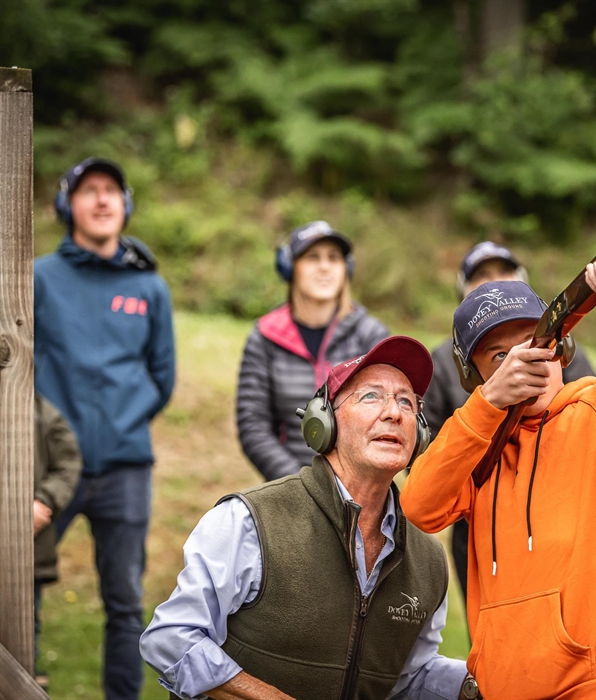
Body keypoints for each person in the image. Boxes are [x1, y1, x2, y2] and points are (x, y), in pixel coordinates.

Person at [401, 261, 596, 697]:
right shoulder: (475, 443)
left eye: (532, 342)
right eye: (499, 356)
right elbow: (420, 507)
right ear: (476, 377)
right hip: (505, 688)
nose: (524, 362)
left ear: (561, 348)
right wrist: (487, 406)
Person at [141, 336, 477, 700]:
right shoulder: (250, 520)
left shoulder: (428, 559)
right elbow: (172, 638)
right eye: (371, 396)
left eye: (406, 402)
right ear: (325, 422)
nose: (394, 413)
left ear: (420, 433)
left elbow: (409, 676)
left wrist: (481, 682)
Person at [35, 156, 176, 699]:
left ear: (125, 205)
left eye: (111, 191)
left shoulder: (149, 289)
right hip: (49, 471)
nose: (101, 199)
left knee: (125, 600)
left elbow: (161, 377)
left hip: (125, 467)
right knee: (20, 588)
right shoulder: (38, 277)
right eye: (88, 190)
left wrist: (121, 418)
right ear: (67, 205)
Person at [423, 241, 596, 609]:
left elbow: (585, 402)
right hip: (476, 499)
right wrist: (485, 412)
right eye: (499, 355)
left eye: (503, 273)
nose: (494, 285)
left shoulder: (586, 390)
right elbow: (423, 461)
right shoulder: (442, 361)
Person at [237, 220, 389, 481]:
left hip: (359, 490)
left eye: (334, 258)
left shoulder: (371, 335)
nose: (324, 267)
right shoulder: (264, 337)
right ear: (289, 268)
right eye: (312, 257)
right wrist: (301, 485)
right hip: (288, 490)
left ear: (346, 269)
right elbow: (253, 425)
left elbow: (385, 417)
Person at [33, 393, 82, 691]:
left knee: (22, 633)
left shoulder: (38, 410)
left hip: (22, 556)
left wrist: (44, 501)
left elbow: (68, 461)